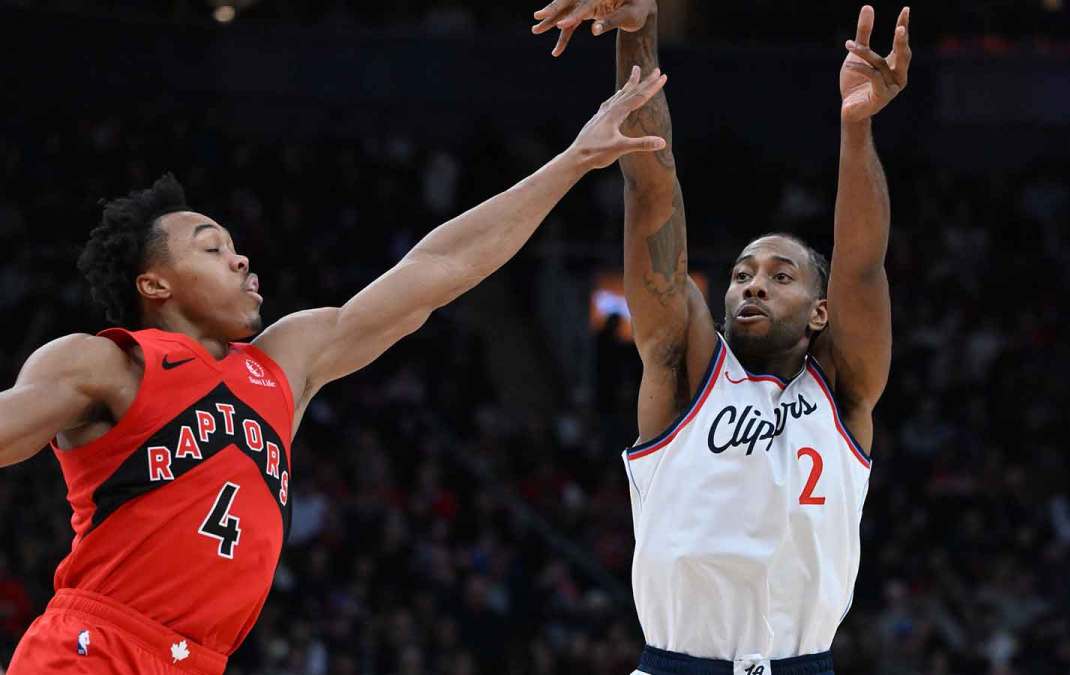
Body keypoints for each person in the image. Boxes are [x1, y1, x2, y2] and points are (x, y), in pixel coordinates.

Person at [0, 69, 668, 674]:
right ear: (155, 284)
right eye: (212, 248)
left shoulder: (284, 362)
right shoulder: (106, 362)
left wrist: (575, 160)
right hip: (93, 648)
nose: (239, 260)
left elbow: (435, 272)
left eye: (235, 246)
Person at [534, 2, 911, 673]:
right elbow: (652, 190)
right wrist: (637, 30)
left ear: (820, 312)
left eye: (779, 274)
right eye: (740, 274)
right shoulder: (685, 365)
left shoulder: (846, 391)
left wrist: (857, 131)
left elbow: (859, 265)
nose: (753, 285)